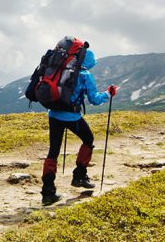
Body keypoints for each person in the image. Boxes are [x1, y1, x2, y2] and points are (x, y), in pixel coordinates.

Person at [41, 47, 117, 205]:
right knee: (88, 139)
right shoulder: (84, 75)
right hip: (72, 117)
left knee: (53, 151)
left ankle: (48, 193)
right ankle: (79, 177)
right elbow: (94, 99)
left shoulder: (60, 70)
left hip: (54, 115)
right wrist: (108, 93)